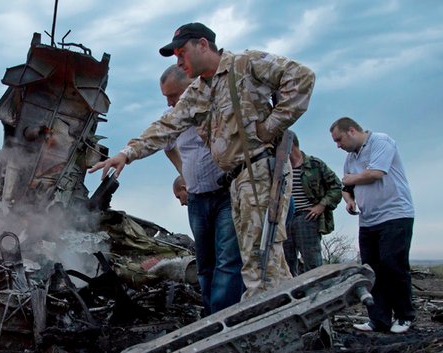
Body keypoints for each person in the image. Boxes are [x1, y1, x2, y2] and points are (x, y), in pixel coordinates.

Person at [89, 22, 315, 298]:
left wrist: (270, 126)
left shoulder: (245, 64)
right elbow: (166, 126)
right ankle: (296, 320)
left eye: (182, 52)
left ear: (203, 45)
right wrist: (127, 153)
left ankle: (260, 327)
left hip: (260, 171)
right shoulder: (199, 91)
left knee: (260, 260)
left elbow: (302, 77)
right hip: (238, 180)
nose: (178, 60)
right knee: (266, 262)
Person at [161, 66, 243, 315]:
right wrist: (184, 173)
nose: (169, 101)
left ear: (192, 85)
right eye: (165, 97)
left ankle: (225, 318)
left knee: (228, 260)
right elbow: (167, 146)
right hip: (197, 198)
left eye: (173, 95)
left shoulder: (216, 107)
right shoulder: (171, 116)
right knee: (205, 262)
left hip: (226, 194)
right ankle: (210, 316)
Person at [330, 117, 415, 334]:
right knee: (371, 270)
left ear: (351, 131)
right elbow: (346, 186)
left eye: (339, 140)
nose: (338, 146)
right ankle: (379, 320)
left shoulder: (380, 141)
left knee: (393, 265)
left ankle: (405, 316)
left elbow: (375, 174)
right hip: (368, 220)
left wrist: (351, 180)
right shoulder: (351, 157)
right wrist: (349, 200)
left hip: (394, 215)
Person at [283, 134, 343, 276]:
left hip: (307, 217)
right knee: (285, 265)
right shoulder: (280, 168)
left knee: (313, 263)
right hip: (284, 219)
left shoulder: (314, 165)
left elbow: (336, 187)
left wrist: (321, 205)